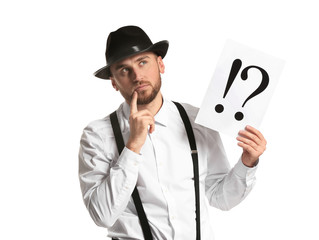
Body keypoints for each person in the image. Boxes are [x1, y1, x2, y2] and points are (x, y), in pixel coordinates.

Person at [78, 25, 267, 240]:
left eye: (143, 62)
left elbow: (220, 198)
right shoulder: (97, 135)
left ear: (160, 64)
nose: (137, 76)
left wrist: (247, 162)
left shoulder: (197, 120)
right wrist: (133, 146)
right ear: (113, 82)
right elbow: (102, 215)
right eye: (124, 70)